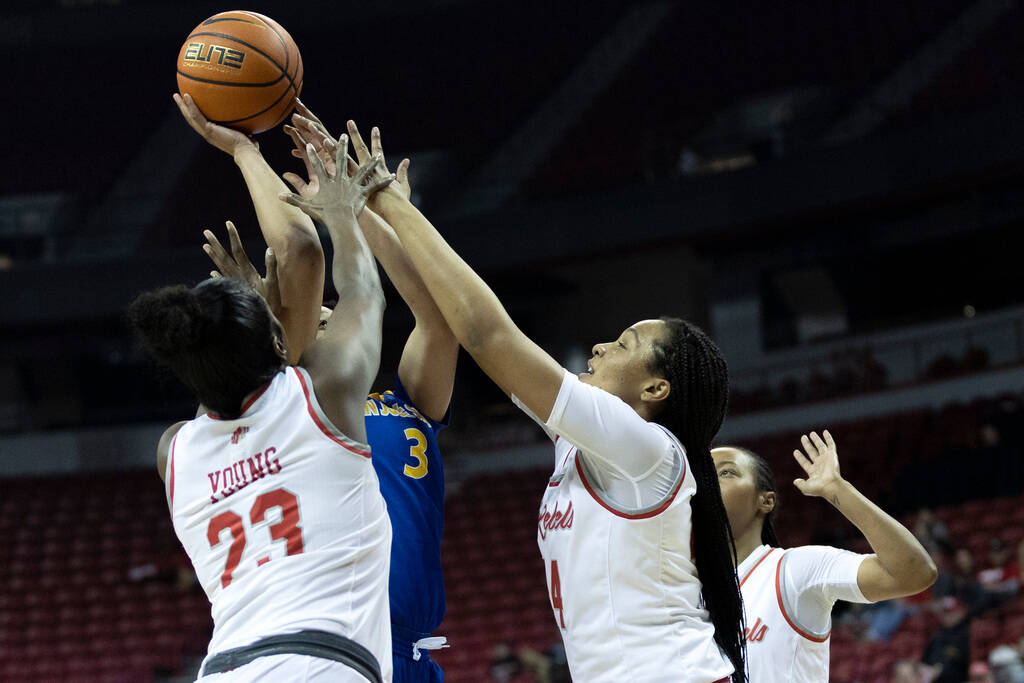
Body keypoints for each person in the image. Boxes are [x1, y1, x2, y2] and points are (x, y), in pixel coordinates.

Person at [287, 118, 747, 682]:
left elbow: (485, 334)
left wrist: (385, 201)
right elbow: (454, 320)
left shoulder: (645, 449)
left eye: (625, 344)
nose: (603, 344)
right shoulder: (586, 445)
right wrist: (365, 211)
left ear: (656, 390)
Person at [182, 94, 459, 683]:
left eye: (336, 315)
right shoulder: (286, 411)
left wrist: (362, 213)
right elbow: (337, 281)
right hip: (326, 638)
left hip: (398, 649)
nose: (329, 317)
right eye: (317, 318)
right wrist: (346, 215)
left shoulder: (402, 399)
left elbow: (436, 314)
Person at [129, 132, 396, 681]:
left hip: (223, 668)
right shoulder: (326, 392)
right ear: (276, 344)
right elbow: (363, 291)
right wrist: (342, 213)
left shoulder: (173, 450)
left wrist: (260, 322)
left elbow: (222, 377)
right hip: (319, 663)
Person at [711, 431, 937, 682]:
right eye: (703, 474)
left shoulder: (793, 569)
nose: (708, 481)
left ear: (765, 501)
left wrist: (837, 489)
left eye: (725, 473)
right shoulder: (684, 590)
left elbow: (914, 573)